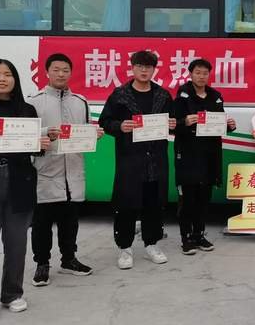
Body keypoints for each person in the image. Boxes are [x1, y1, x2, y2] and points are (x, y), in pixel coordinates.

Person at [0, 59, 50, 323]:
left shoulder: (26, 110)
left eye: (7, 74)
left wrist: (41, 145)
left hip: (19, 182)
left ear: (15, 79)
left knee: (16, 244)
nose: (2, 79)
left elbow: (32, 149)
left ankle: (12, 294)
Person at [27, 53, 104, 287]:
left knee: (70, 221)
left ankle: (69, 259)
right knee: (42, 223)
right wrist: (45, 134)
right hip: (46, 171)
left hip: (73, 170)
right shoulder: (33, 102)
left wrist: (94, 136)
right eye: (56, 70)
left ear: (71, 73)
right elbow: (26, 136)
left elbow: (85, 131)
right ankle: (42, 264)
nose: (61, 74)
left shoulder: (80, 101)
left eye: (65, 70)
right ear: (47, 72)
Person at [99, 50, 176, 270]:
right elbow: (105, 121)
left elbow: (173, 122)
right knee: (126, 205)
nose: (144, 70)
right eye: (140, 66)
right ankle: (125, 248)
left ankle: (152, 244)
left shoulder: (163, 95)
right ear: (132, 68)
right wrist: (119, 126)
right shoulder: (120, 95)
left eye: (148, 67)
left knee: (154, 204)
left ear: (154, 70)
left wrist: (173, 124)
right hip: (130, 161)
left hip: (156, 161)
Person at [174, 58, 236, 255]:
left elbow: (218, 123)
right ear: (191, 74)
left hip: (209, 154)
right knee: (187, 199)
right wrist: (184, 122)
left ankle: (199, 235)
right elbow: (172, 124)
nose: (201, 76)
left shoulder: (215, 96)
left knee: (203, 198)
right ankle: (186, 238)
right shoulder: (182, 96)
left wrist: (229, 126)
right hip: (188, 154)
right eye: (198, 72)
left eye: (205, 73)